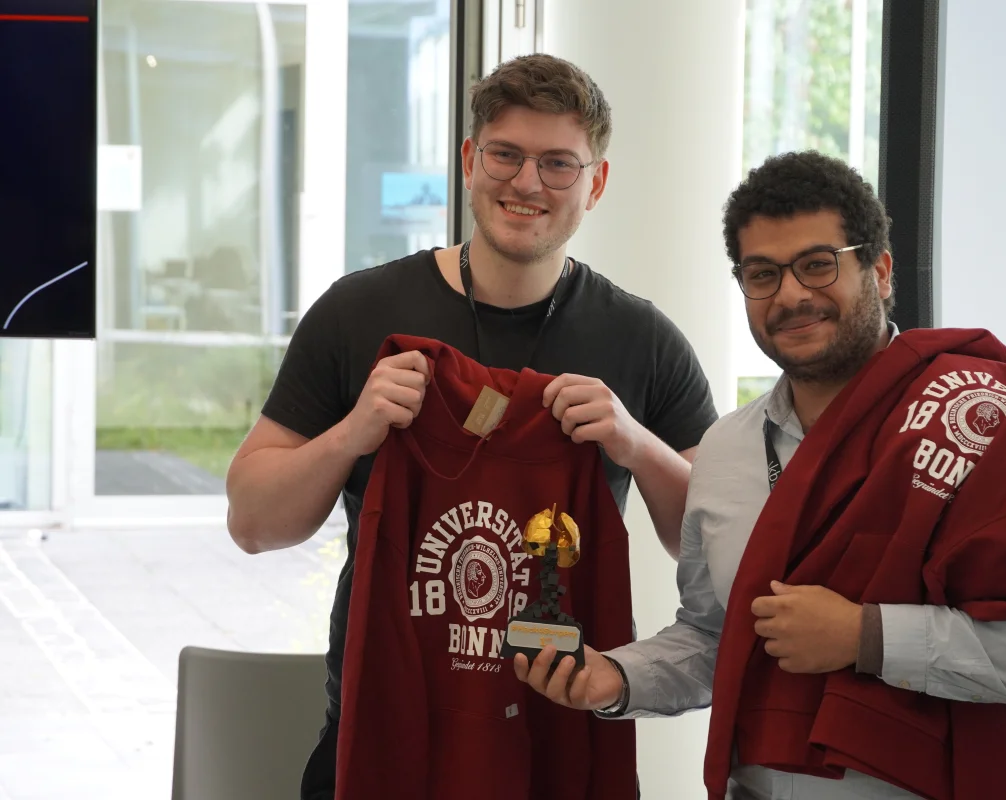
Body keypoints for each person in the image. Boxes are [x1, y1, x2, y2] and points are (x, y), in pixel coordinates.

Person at [516, 150, 1006, 800]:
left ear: (880, 271)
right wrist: (616, 679)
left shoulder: (972, 425)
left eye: (817, 265)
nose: (791, 296)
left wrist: (867, 636)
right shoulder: (725, 450)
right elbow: (715, 636)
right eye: (763, 274)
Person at [224, 53, 718, 799]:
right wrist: (352, 434)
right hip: (382, 740)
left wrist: (636, 444)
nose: (527, 183)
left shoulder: (643, 342)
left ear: (596, 183)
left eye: (558, 164)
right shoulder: (357, 314)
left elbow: (713, 549)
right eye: (505, 154)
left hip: (558, 740)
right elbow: (252, 524)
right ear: (468, 160)